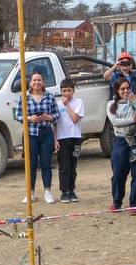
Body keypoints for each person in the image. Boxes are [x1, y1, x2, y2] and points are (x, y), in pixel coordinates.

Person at [13, 71, 59, 204]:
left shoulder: (50, 96)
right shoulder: (24, 97)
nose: (37, 83)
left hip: (46, 133)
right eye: (34, 80)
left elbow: (56, 114)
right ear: (30, 83)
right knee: (30, 165)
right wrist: (29, 118)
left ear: (43, 82)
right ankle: (30, 192)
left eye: (39, 80)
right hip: (31, 134)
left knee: (46, 163)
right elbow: (17, 115)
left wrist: (48, 117)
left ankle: (48, 191)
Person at [106, 79, 136, 213]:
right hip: (121, 140)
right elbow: (115, 122)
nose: (125, 91)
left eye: (127, 88)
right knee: (118, 172)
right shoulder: (111, 104)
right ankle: (117, 201)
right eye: (122, 89)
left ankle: (134, 204)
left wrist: (134, 102)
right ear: (117, 90)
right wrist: (131, 120)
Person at [54, 78, 84, 203]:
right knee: (64, 166)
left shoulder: (79, 102)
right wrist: (55, 140)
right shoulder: (57, 104)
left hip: (76, 138)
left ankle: (72, 190)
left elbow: (75, 118)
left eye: (69, 90)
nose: (67, 93)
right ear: (61, 91)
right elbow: (54, 124)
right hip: (62, 139)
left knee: (73, 165)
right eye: (64, 91)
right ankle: (64, 191)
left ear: (73, 91)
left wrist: (67, 105)